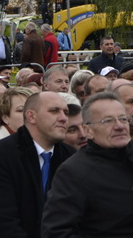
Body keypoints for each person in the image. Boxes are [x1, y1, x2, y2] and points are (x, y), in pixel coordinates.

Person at [0, 92, 75, 238]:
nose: (63, 118)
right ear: (31, 116)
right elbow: (3, 225)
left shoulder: (70, 157)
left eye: (65, 112)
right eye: (54, 111)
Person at [42, 92, 133, 236]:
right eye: (108, 121)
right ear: (88, 131)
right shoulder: (73, 172)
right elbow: (57, 231)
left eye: (123, 119)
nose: (119, 126)